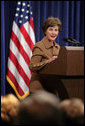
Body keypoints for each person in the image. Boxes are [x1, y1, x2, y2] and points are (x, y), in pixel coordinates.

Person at [29, 17, 62, 95]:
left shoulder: (58, 47)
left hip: (53, 87)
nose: (53, 33)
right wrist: (48, 61)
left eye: (56, 30)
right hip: (39, 87)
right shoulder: (39, 46)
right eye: (51, 29)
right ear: (45, 31)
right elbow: (32, 66)